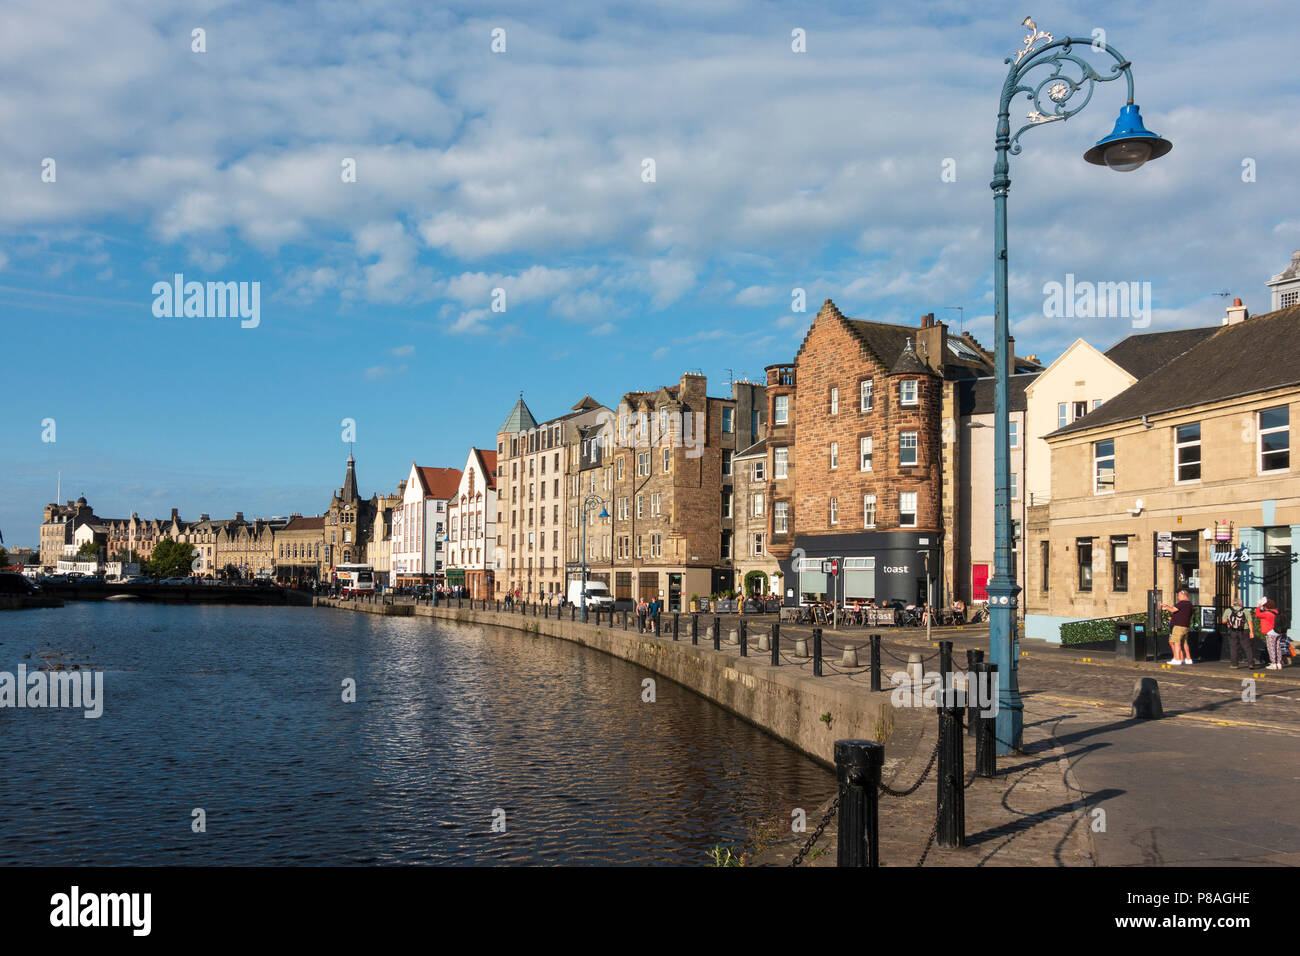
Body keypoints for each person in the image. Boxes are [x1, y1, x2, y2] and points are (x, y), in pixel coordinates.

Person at [1160, 590, 1195, 665]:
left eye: (1179, 595)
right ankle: (1188, 659)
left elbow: (1172, 609)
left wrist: (1166, 607)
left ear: (1183, 595)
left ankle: (1177, 659)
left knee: (1176, 642)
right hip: (1186, 626)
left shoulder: (1182, 603)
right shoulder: (1190, 604)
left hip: (1178, 626)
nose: (1178, 597)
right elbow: (1187, 615)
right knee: (1184, 643)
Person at [1221, 601, 1253, 669]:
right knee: (1247, 647)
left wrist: (1230, 620)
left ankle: (1234, 664)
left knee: (1233, 647)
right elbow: (1250, 622)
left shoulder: (1228, 610)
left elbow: (1223, 621)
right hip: (1244, 630)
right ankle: (1250, 663)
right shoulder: (1245, 611)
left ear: (1233, 604)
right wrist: (1251, 632)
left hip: (1232, 631)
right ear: (1240, 604)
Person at [1256, 598, 1283, 669]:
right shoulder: (1277, 612)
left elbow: (1257, 614)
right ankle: (1279, 663)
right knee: (1278, 648)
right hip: (1278, 632)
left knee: (1271, 648)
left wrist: (1259, 606)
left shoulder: (1266, 613)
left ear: (1265, 606)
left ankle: (1273, 664)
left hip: (1270, 632)